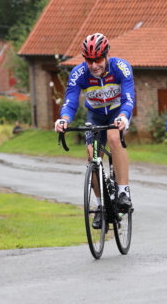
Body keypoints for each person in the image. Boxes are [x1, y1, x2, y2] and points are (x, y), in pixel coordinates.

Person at [54, 33, 135, 229]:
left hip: (118, 112)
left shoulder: (121, 68)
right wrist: (64, 120)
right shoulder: (79, 73)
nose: (93, 65)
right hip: (95, 115)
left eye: (98, 59)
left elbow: (128, 97)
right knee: (92, 155)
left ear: (107, 55)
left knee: (114, 138)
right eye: (89, 60)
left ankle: (123, 192)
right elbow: (70, 102)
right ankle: (100, 207)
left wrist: (123, 116)